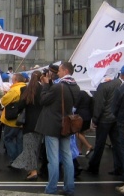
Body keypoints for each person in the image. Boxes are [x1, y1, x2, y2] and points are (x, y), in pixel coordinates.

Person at [35, 61, 80, 196]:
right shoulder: (76, 87)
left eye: (59, 70)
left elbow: (43, 100)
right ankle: (69, 187)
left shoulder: (58, 86)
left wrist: (44, 85)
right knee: (67, 157)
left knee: (53, 158)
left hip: (52, 126)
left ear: (65, 71)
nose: (58, 73)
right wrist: (50, 85)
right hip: (66, 125)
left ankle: (51, 188)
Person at [86, 73, 122, 176]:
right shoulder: (118, 83)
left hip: (104, 119)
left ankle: (94, 166)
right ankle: (119, 167)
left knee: (99, 144)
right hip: (115, 117)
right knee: (117, 144)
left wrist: (95, 119)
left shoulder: (103, 86)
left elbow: (99, 104)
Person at [12, 70, 43, 180]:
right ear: (41, 78)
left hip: (29, 122)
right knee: (36, 148)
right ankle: (33, 169)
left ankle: (33, 171)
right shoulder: (44, 89)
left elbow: (20, 105)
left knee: (29, 147)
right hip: (41, 122)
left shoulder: (26, 89)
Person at [0, 73, 25, 164]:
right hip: (23, 119)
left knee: (8, 139)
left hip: (12, 120)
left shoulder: (14, 90)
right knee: (19, 141)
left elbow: (4, 101)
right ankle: (20, 159)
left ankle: (15, 159)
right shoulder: (27, 88)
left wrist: (6, 94)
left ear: (16, 80)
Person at [74, 88, 93, 156]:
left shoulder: (81, 93)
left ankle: (88, 146)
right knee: (82, 132)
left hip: (81, 116)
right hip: (88, 116)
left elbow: (76, 105)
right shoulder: (89, 94)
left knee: (76, 132)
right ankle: (80, 150)